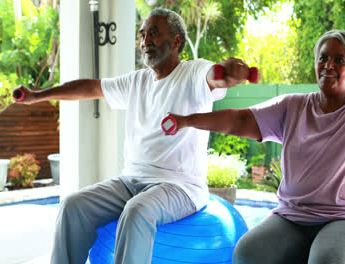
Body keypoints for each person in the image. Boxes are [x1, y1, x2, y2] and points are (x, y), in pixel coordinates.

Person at [14, 8, 251, 264]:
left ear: (176, 41)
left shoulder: (193, 72)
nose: (145, 40)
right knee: (72, 206)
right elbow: (91, 87)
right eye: (142, 34)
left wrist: (228, 73)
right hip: (131, 181)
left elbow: (214, 77)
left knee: (138, 210)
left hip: (180, 186)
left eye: (154, 33)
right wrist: (38, 95)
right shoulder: (138, 80)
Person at [167, 30, 345, 264]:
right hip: (294, 217)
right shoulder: (293, 107)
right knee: (247, 253)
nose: (328, 65)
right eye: (323, 58)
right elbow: (240, 120)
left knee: (327, 258)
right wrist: (187, 120)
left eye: (339, 60)